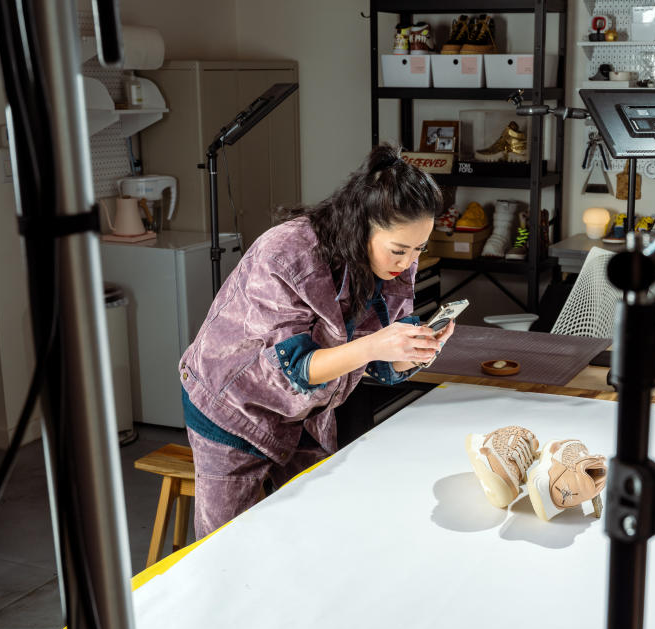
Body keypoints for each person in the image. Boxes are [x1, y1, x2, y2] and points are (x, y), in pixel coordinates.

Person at [179, 143, 454, 539]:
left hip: (307, 415)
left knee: (319, 530)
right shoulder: (287, 253)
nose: (408, 262)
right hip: (232, 407)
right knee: (224, 546)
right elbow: (295, 368)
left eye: (419, 249)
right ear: (363, 225)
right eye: (399, 249)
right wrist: (378, 345)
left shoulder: (397, 262)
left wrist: (413, 352)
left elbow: (372, 361)